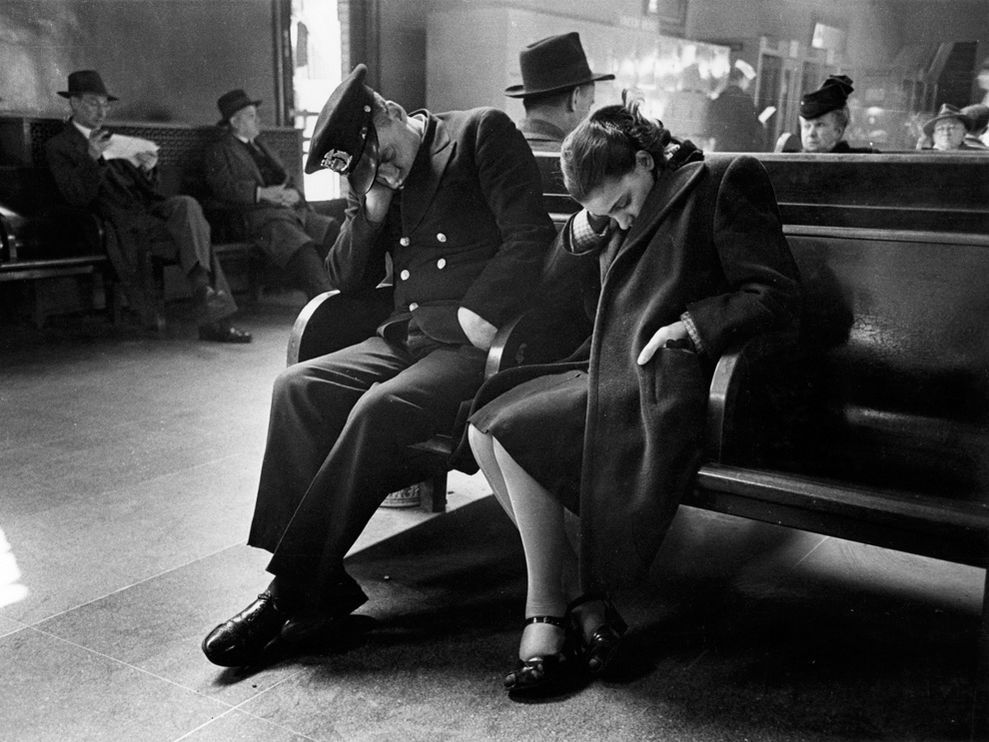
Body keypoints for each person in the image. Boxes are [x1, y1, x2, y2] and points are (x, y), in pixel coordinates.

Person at [201, 64, 555, 667]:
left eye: (383, 158)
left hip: (476, 342)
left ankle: (287, 592)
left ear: (389, 111)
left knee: (379, 408)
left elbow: (530, 236)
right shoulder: (378, 179)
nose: (385, 171)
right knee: (297, 386)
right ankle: (318, 583)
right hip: (407, 335)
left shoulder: (478, 134)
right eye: (370, 170)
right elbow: (346, 279)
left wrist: (481, 309)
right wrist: (369, 209)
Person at [466, 93, 801, 697]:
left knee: (510, 433)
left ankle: (545, 611)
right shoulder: (615, 210)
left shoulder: (722, 181)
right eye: (608, 215)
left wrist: (693, 328)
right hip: (605, 365)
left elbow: (775, 294)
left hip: (661, 376)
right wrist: (594, 223)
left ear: (646, 161)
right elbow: (560, 287)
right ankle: (587, 603)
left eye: (621, 204)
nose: (621, 219)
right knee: (479, 428)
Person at [45, 70, 251, 342]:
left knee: (187, 206)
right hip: (116, 222)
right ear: (73, 103)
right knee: (197, 236)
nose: (101, 111)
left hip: (147, 213)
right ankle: (215, 318)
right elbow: (76, 197)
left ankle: (204, 296)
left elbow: (148, 191)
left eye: (105, 104)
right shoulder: (59, 146)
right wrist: (90, 160)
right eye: (93, 103)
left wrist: (147, 169)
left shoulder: (113, 140)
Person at [205, 89, 337, 299]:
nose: (258, 120)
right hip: (256, 218)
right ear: (235, 121)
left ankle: (348, 295)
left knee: (333, 231)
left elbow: (287, 178)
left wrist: (294, 194)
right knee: (301, 247)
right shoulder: (220, 150)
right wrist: (262, 193)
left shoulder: (262, 146)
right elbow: (223, 188)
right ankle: (325, 303)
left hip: (289, 211)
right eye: (251, 116)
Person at [504, 32, 614, 153]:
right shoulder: (574, 165)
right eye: (589, 105)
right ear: (574, 99)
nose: (588, 116)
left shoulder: (496, 153)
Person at [798, 75, 877, 153]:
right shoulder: (790, 162)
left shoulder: (863, 162)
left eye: (819, 125)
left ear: (838, 132)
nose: (811, 133)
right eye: (806, 126)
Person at [706, 60, 762, 152]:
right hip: (740, 151)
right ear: (741, 78)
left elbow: (710, 127)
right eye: (748, 81)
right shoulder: (746, 101)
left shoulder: (719, 99)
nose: (748, 85)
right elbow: (752, 128)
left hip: (720, 150)